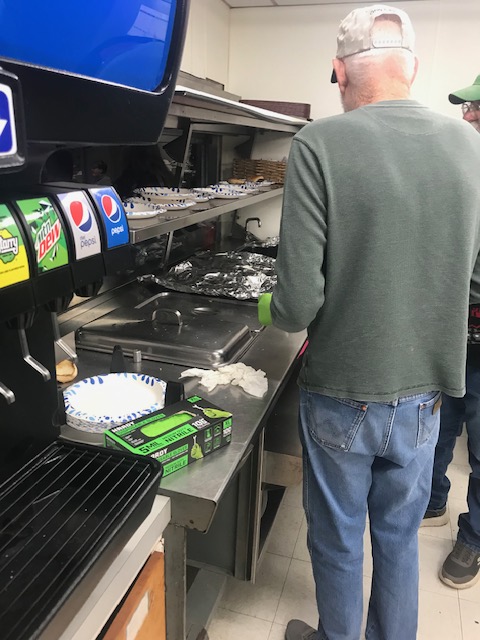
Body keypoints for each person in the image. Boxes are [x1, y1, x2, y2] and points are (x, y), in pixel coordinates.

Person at [257, 5, 480, 640]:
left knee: (337, 539)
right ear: (413, 68)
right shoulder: (471, 147)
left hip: (340, 393)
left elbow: (295, 306)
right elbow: (472, 277)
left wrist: (264, 306)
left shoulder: (318, 144)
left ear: (339, 71)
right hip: (425, 396)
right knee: (399, 536)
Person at [421, 76, 480, 590]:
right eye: (466, 108)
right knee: (441, 424)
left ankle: (474, 538)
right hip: (453, 334)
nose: (468, 116)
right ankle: (432, 499)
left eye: (477, 108)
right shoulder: (465, 168)